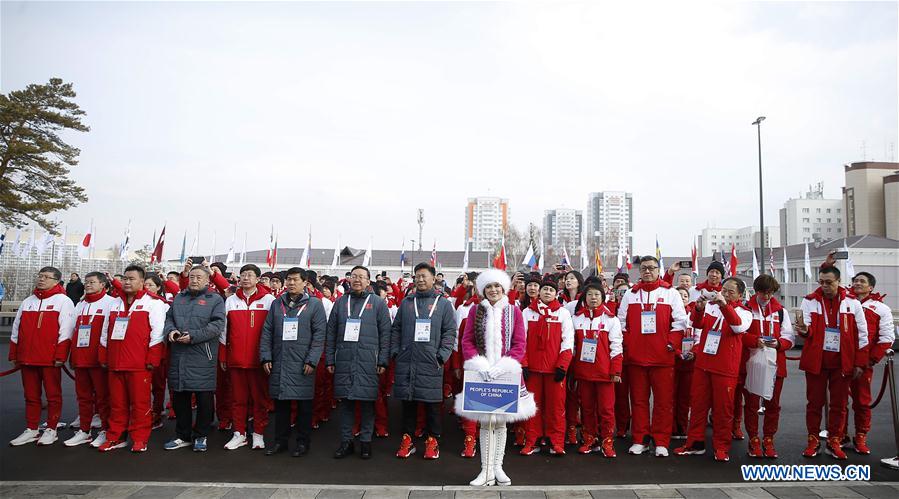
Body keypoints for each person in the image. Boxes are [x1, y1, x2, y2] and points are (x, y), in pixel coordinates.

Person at [456, 269, 536, 486]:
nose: (493, 290)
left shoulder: (514, 312)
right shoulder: (475, 311)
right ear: (483, 290)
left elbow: (520, 344)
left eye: (497, 286)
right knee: (485, 422)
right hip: (482, 376)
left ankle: (498, 467)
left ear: (504, 289)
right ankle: (485, 470)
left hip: (505, 375)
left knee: (500, 423)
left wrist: (503, 366)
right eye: (489, 287)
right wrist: (480, 365)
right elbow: (467, 341)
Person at [616, 256, 688, 457]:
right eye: (644, 268)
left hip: (662, 357)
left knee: (663, 402)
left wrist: (671, 344)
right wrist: (629, 342)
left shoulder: (670, 293)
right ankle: (640, 439)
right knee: (638, 400)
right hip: (636, 358)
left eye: (652, 268)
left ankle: (662, 441)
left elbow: (680, 322)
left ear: (658, 270)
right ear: (639, 271)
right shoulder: (630, 294)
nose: (647, 271)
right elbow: (620, 322)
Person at [674, 277, 752, 462]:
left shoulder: (745, 312)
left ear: (740, 295)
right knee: (698, 405)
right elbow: (696, 323)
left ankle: (721, 447)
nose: (724, 294)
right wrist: (699, 308)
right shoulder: (711, 306)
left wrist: (725, 305)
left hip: (725, 368)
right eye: (723, 290)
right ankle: (695, 443)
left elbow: (737, 326)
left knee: (722, 410)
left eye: (730, 292)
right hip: (703, 364)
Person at [794, 266, 868, 460]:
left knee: (840, 404)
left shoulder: (852, 302)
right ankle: (813, 439)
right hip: (816, 361)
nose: (825, 286)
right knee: (814, 404)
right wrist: (803, 330)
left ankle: (835, 440)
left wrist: (860, 362)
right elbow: (807, 330)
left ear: (838, 281)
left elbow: (862, 334)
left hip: (843, 362)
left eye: (829, 282)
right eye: (822, 282)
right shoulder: (809, 300)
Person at [391, 263, 458, 460]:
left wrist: (441, 355)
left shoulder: (444, 303)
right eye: (417, 276)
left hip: (431, 361)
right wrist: (396, 351)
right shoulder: (407, 302)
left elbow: (449, 332)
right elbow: (396, 329)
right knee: (408, 403)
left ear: (433, 278)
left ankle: (432, 441)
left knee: (432, 405)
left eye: (424, 276)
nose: (420, 280)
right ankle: (408, 439)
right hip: (407, 360)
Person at [260, 267, 327, 457]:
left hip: (302, 362)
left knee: (304, 407)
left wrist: (312, 360)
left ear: (305, 283)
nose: (291, 283)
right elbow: (267, 332)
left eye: (295, 280)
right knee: (281, 406)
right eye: (288, 279)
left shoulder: (314, 304)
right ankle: (280, 441)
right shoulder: (277, 304)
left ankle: (302, 442)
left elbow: (320, 335)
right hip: (280, 361)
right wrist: (266, 356)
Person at [98, 265, 166, 452]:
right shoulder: (114, 303)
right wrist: (104, 356)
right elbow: (105, 332)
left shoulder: (154, 303)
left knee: (140, 404)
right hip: (115, 363)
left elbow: (158, 334)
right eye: (125, 278)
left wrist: (152, 359)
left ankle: (139, 438)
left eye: (132, 279)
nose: (127, 282)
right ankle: (116, 436)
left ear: (142, 282)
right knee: (117, 404)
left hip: (139, 364)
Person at [326, 265, 392, 460]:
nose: (357, 280)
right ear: (348, 279)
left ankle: (365, 442)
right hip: (344, 359)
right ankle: (346, 442)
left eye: (361, 277)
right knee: (345, 404)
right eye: (354, 276)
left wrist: (382, 360)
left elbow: (386, 335)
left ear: (368, 281)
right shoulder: (340, 302)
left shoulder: (378, 303)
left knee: (367, 404)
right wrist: (330, 358)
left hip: (368, 361)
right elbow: (330, 333)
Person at [8, 266, 76, 447]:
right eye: (40, 276)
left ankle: (51, 429)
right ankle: (31, 428)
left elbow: (66, 330)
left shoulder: (63, 301)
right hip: (27, 358)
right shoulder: (28, 301)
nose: (42, 279)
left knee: (53, 395)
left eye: (47, 277)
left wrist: (60, 355)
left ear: (56, 281)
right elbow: (16, 328)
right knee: (31, 396)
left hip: (49, 358)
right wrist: (14, 353)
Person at [163, 265, 226, 452]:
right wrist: (171, 331)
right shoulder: (179, 298)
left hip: (202, 354)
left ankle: (201, 435)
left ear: (208, 280)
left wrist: (193, 336)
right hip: (179, 354)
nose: (195, 280)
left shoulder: (215, 299)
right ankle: (182, 435)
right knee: (180, 398)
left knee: (204, 398)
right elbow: (168, 320)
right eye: (192, 277)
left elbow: (217, 325)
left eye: (199, 277)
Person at [221, 264, 277, 451]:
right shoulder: (230, 301)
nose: (245, 278)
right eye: (243, 275)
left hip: (259, 360)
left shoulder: (269, 300)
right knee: (237, 399)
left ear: (257, 279)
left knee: (260, 399)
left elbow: (273, 331)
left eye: (250, 275)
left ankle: (258, 434)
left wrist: (269, 356)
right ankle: (239, 433)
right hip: (235, 359)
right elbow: (224, 332)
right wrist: (223, 355)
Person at [520, 276, 574, 456]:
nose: (548, 292)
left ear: (555, 293)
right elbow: (521, 341)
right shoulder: (527, 312)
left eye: (551, 290)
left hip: (554, 371)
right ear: (539, 292)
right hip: (533, 370)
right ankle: (532, 440)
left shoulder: (563, 313)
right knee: (532, 407)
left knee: (556, 408)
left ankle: (555, 441)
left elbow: (568, 342)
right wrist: (524, 364)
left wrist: (562, 366)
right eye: (545, 289)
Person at [742, 274, 794, 459]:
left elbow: (789, 337)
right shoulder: (746, 309)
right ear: (756, 291)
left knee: (773, 405)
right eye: (763, 293)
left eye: (770, 293)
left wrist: (779, 344)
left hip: (775, 364)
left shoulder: (781, 311)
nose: (766, 296)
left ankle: (769, 438)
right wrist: (755, 341)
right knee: (752, 405)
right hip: (752, 363)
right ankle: (754, 438)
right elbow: (739, 334)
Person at [64, 272, 116, 447]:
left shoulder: (111, 303)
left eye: (92, 282)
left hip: (98, 360)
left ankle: (105, 430)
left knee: (103, 397)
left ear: (103, 284)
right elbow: (71, 330)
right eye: (86, 282)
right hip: (80, 357)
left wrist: (105, 357)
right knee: (83, 397)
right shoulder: (80, 304)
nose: (87, 285)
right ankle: (84, 430)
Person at [570, 282, 622, 457]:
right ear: (584, 297)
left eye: (597, 295)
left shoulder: (611, 319)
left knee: (606, 409)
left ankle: (607, 441)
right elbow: (573, 347)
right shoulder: (576, 318)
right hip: (583, 372)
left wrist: (615, 371)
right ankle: (589, 439)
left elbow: (616, 347)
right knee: (587, 408)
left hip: (604, 373)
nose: (593, 298)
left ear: (602, 297)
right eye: (590, 295)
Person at [846, 271, 894, 455]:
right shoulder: (844, 301)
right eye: (855, 281)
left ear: (871, 287)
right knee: (839, 401)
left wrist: (869, 361)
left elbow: (886, 338)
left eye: (862, 281)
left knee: (862, 402)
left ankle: (861, 435)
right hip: (842, 361)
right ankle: (839, 435)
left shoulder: (880, 308)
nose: (857, 283)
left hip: (863, 363)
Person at [143, 274, 171, 430]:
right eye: (145, 285)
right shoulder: (136, 303)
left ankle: (157, 412)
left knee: (158, 384)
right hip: (139, 350)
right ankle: (144, 413)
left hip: (159, 350)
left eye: (150, 285)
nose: (147, 288)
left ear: (159, 287)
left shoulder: (163, 305)